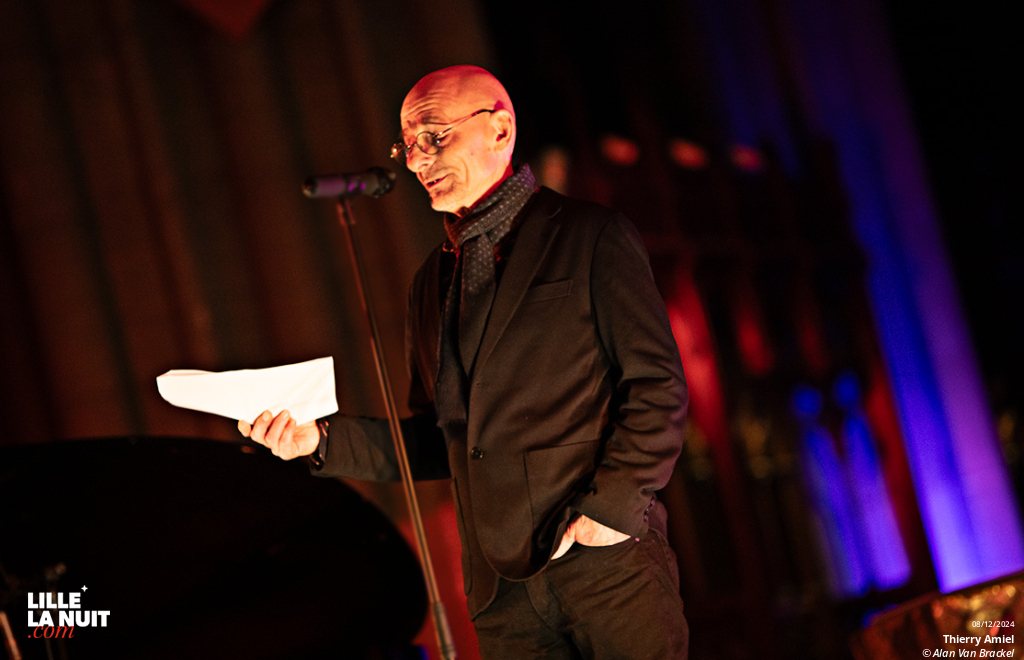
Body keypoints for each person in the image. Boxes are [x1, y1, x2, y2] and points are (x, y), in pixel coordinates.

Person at [239, 65, 689, 659]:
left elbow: (657, 386)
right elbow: (436, 441)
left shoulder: (588, 236)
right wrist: (316, 441)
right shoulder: (431, 282)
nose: (418, 160)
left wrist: (610, 512)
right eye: (408, 145)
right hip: (500, 591)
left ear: (500, 129)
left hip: (605, 563)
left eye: (435, 136)